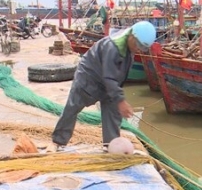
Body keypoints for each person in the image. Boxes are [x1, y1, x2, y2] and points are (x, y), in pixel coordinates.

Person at [51, 21, 156, 151]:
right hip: (89, 77)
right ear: (131, 36)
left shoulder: (128, 47)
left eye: (142, 48)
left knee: (113, 110)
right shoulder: (112, 47)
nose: (138, 49)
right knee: (72, 108)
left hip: (108, 83)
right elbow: (109, 77)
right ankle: (58, 141)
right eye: (138, 45)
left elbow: (116, 78)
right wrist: (121, 100)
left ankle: (110, 145)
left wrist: (118, 99)